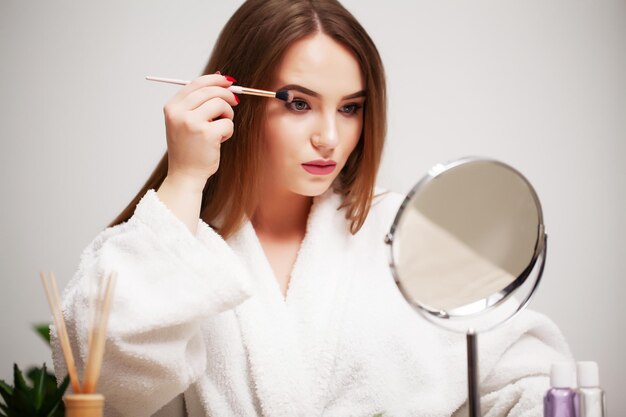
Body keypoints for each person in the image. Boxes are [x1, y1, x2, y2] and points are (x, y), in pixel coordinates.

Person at [52, 1, 571, 416]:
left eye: (350, 108)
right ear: (237, 98)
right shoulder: (171, 247)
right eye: (298, 103)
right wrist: (186, 179)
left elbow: (531, 378)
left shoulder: (404, 236)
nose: (330, 137)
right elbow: (106, 386)